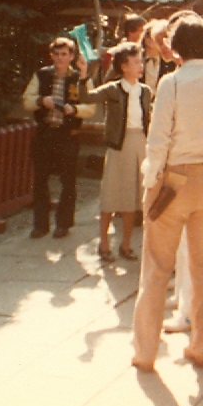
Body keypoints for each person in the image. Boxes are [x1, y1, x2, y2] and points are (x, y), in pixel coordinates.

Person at [131, 19, 203, 372]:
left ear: (177, 47)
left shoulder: (172, 82)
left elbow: (158, 137)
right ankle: (201, 346)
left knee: (156, 268)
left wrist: (151, 181)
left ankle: (146, 352)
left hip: (173, 178)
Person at [77, 42, 152, 262]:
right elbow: (86, 98)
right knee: (112, 194)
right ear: (124, 66)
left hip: (140, 143)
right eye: (136, 62)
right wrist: (83, 74)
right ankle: (103, 242)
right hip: (119, 145)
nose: (140, 66)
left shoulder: (145, 91)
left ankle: (126, 244)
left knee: (132, 196)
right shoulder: (113, 89)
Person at [22, 37, 95, 239]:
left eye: (65, 54)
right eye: (57, 54)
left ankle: (63, 224)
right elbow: (26, 101)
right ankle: (40, 225)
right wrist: (40, 100)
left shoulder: (80, 77)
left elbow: (91, 107)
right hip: (45, 134)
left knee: (68, 181)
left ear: (71, 56)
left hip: (67, 136)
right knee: (40, 180)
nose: (60, 58)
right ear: (51, 55)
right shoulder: (41, 75)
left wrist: (76, 109)